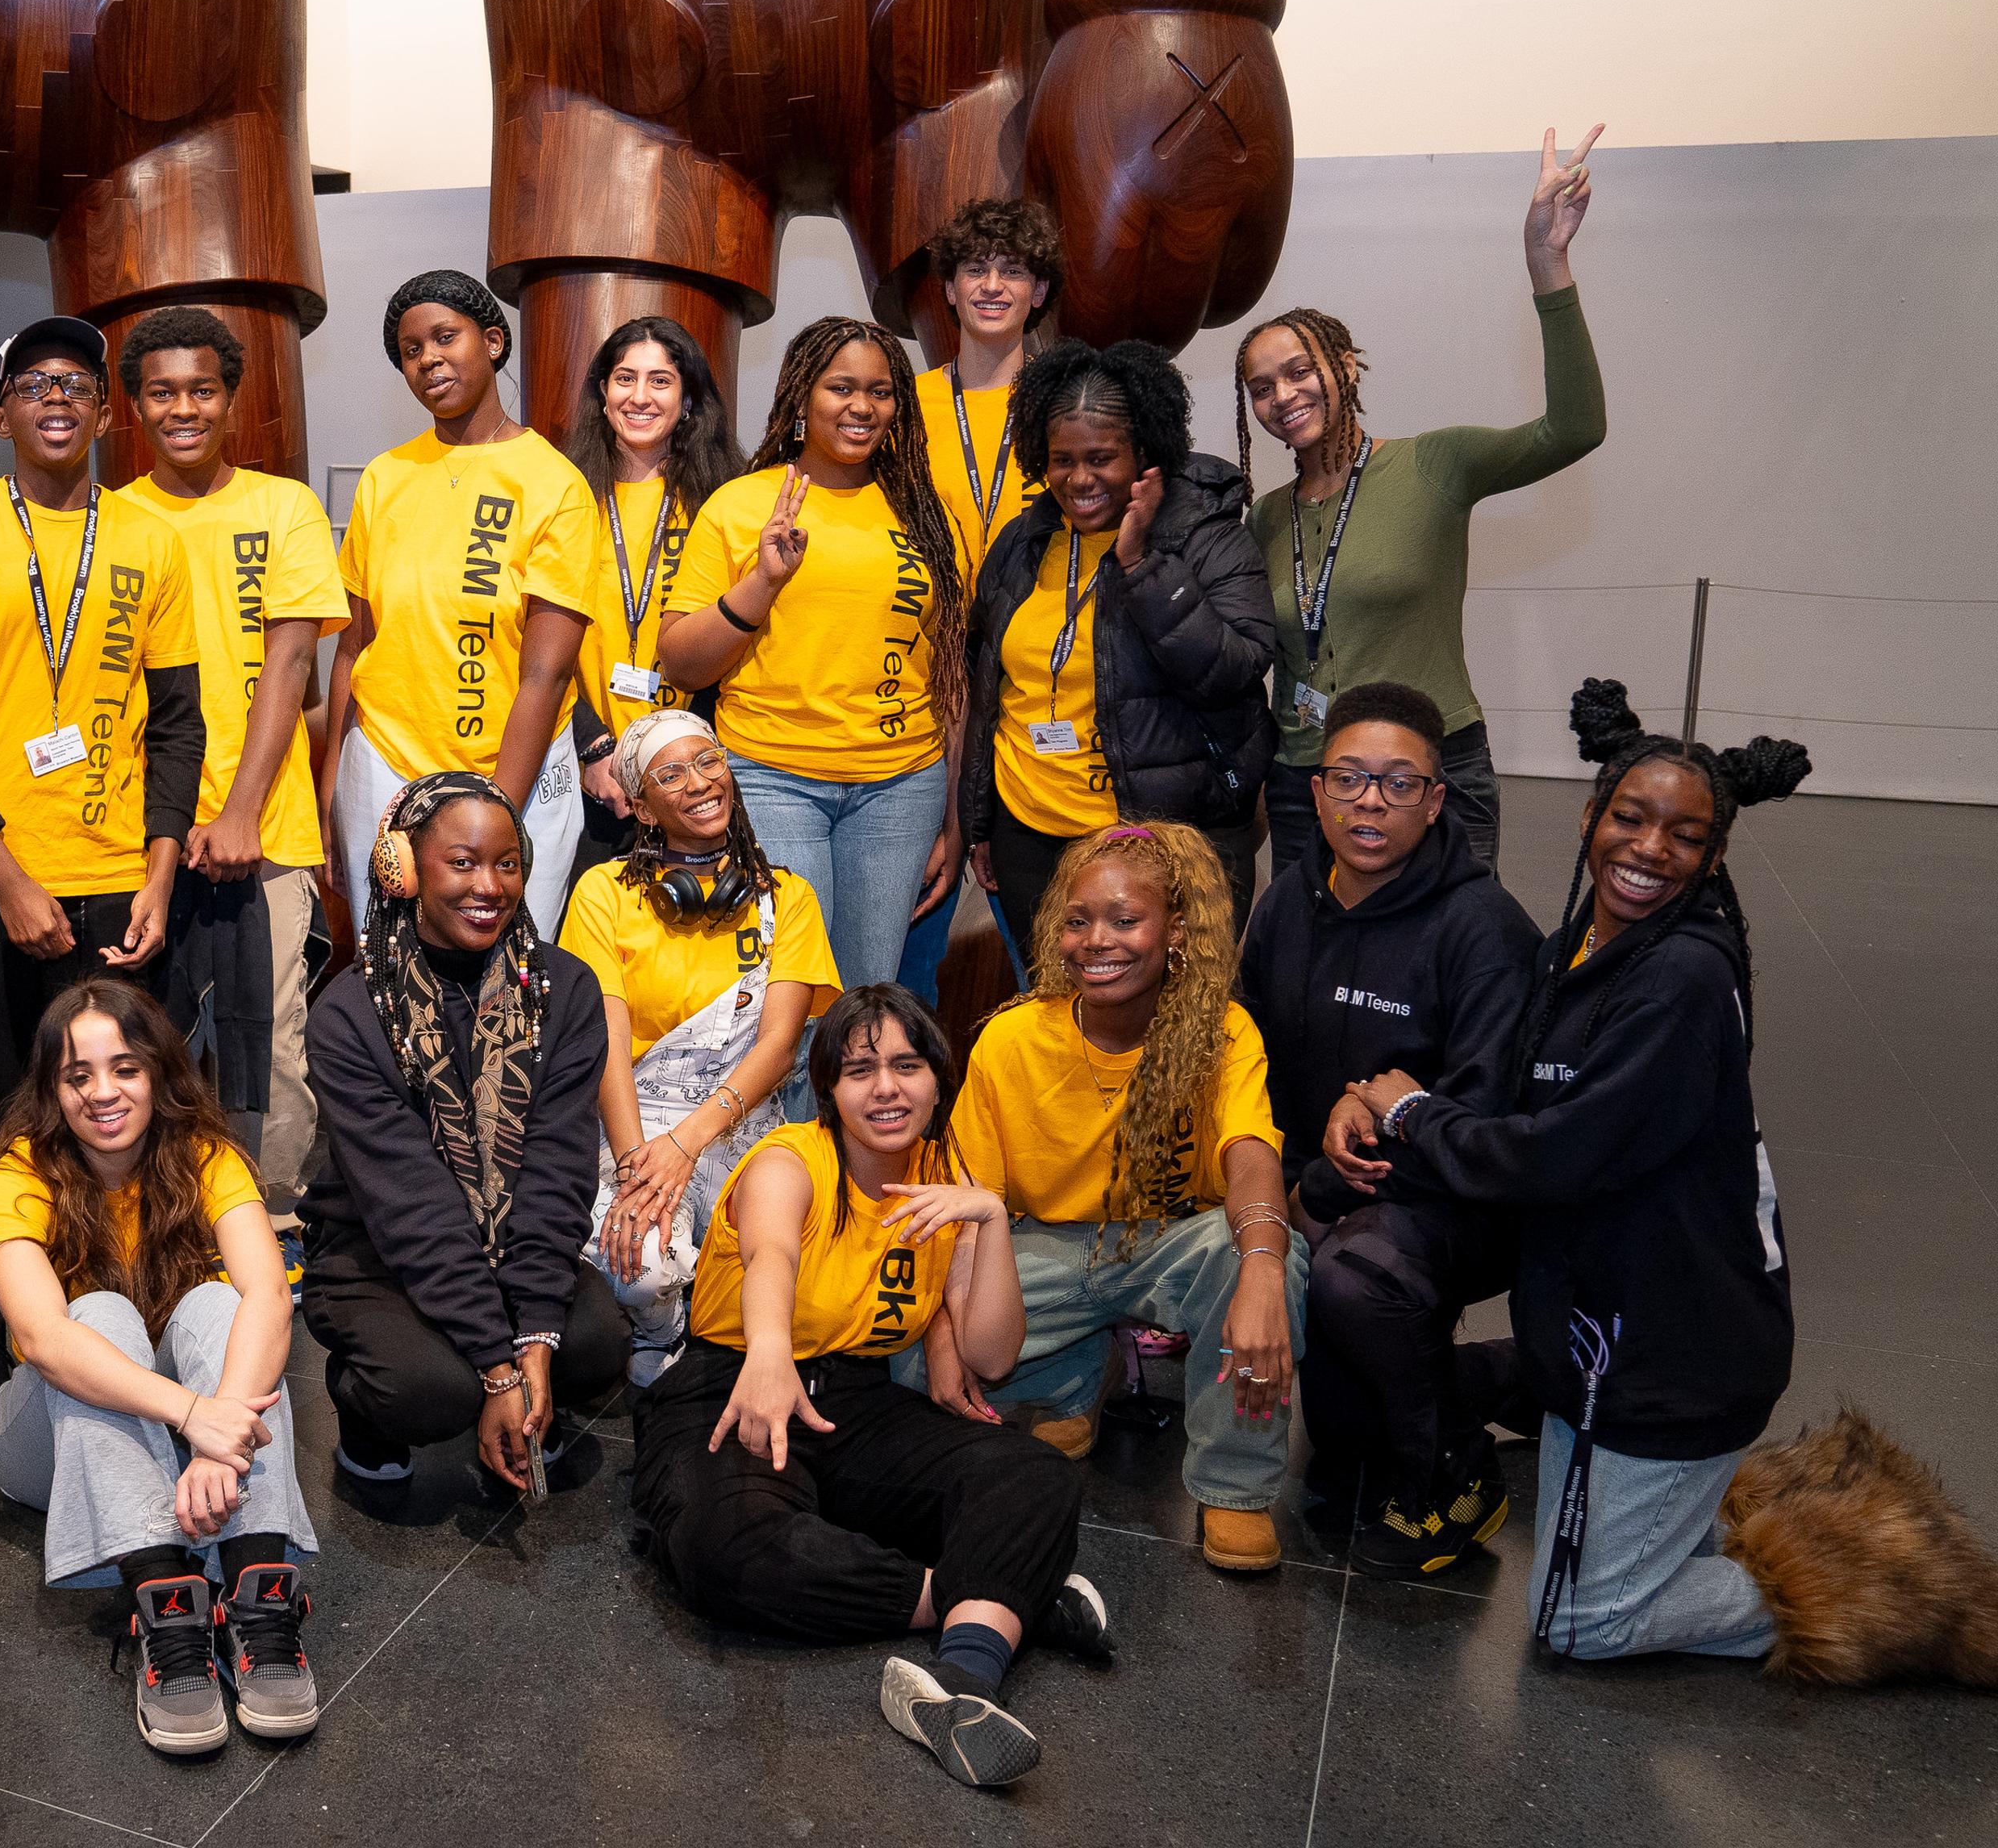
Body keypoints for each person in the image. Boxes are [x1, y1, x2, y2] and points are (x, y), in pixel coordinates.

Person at [1324, 682, 1825, 1663]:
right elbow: (1503, 1095)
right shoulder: (1574, 949)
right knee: (1389, 1391)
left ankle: (1829, 1578)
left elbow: (1553, 1154)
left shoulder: (1681, 979)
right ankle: (1552, 1404)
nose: (1648, 849)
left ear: (1714, 855)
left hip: (1674, 1359)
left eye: (1685, 835)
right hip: (1600, 1330)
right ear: (1591, 815)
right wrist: (1371, 1094)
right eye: (1629, 817)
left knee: (1578, 1620)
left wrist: (1413, 1112)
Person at [633, 983, 1107, 1792]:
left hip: (852, 1397)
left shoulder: (945, 1177)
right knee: (723, 1547)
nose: (885, 1086)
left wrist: (988, 1217)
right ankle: (988, 1602)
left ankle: (959, 1683)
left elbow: (994, 1355)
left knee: (1033, 1473)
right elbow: (772, 1255)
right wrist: (771, 1354)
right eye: (860, 1070)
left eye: (906, 1064)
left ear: (935, 1078)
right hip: (730, 1382)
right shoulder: (791, 1159)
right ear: (829, 1091)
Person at [0, 314, 202, 1427]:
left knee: (120, 1100)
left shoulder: (154, 539)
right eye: (33, 383)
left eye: (76, 383)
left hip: (118, 875)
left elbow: (178, 725)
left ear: (106, 413)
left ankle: (118, 1285)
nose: (56, 399)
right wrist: (9, 875)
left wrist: (160, 873)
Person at [1240, 127, 1609, 878]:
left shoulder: (1432, 465)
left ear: (1344, 366)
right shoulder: (1267, 517)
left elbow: (1574, 429)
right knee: (1318, 980)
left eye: (1300, 371)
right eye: (1261, 387)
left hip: (1432, 773)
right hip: (1311, 784)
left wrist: (1548, 263)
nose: (1284, 396)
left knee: (1448, 970)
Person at [1237, 680, 1541, 1577]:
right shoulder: (1288, 902)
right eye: (1350, 778)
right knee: (1344, 1436)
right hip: (1318, 1191)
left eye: (1400, 783)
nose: (1372, 801)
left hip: (1454, 1203)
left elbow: (1484, 1122)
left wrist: (1321, 1191)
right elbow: (1253, 1060)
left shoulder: (1486, 929)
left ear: (1438, 799)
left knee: (1354, 1280)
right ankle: (1516, 1378)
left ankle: (1454, 1469)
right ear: (1316, 790)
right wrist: (1279, 1186)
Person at [0, 982, 320, 1754]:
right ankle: (165, 1607)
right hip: (44, 1440)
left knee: (219, 1306)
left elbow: (269, 1293)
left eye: (124, 1068)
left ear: (160, 1071)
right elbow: (45, 1340)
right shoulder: (15, 1174)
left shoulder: (206, 1155)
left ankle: (259, 1599)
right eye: (78, 1075)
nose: (103, 1092)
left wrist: (218, 1429)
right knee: (93, 1316)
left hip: (187, 1437)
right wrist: (199, 1419)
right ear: (52, 1089)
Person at [949, 823, 1303, 1572]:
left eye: (1123, 920)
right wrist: (947, 1332)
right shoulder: (1010, 1040)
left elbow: (1250, 1158)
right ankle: (1076, 1378)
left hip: (1174, 1244)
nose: (1095, 941)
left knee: (1261, 1260)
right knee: (914, 1356)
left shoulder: (1222, 1032)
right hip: (1052, 1247)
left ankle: (1234, 1489)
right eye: (1078, 920)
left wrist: (1267, 1269)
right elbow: (968, 1208)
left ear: (1176, 931)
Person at [298, 772, 631, 1492]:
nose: (490, 886)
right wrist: (494, 1364)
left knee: (597, 1342)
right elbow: (408, 1203)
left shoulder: (565, 991)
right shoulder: (351, 1012)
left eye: (506, 863)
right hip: (377, 1248)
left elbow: (556, 1168)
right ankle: (368, 1415)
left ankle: (530, 1411)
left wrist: (534, 1345)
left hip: (510, 1234)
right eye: (462, 863)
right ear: (405, 868)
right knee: (431, 1387)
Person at [115, 305, 348, 1221]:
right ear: (135, 405)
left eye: (202, 389)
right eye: (163, 391)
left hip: (269, 824)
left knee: (273, 1042)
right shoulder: (112, 519)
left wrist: (243, 809)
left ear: (230, 398)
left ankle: (273, 1211)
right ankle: (159, 1210)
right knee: (148, 1033)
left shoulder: (283, 506)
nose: (184, 408)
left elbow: (293, 664)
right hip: (142, 829)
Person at [657, 319, 972, 989]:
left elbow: (950, 676)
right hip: (773, 778)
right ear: (803, 397)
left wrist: (953, 817)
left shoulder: (926, 513)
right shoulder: (743, 504)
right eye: (841, 388)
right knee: (792, 1000)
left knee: (866, 994)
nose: (862, 406)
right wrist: (763, 581)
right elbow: (680, 663)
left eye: (881, 391)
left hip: (900, 789)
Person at [961, 339, 1275, 959]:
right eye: (1061, 460)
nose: (1079, 479)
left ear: (1145, 455)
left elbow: (1234, 667)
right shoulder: (1023, 543)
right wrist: (982, 825)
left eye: (1101, 458)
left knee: (1169, 1029)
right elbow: (988, 688)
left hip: (1167, 839)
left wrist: (1140, 563)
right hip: (1033, 837)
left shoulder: (1205, 534)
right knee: (1056, 1022)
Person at [558, 710, 839, 1380]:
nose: (701, 783)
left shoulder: (787, 899)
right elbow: (608, 1037)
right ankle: (664, 1330)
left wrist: (688, 1144)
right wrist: (635, 1167)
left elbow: (777, 1047)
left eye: (709, 761)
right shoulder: (603, 892)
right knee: (641, 1265)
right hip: (634, 1121)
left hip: (744, 1117)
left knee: (803, 1277)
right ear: (645, 808)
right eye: (672, 774)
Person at [327, 271, 595, 935]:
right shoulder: (384, 478)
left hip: (516, 772)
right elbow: (354, 645)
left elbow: (547, 672)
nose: (428, 360)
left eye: (445, 338)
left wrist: (494, 808)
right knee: (388, 967)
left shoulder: (554, 483)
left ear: (494, 341)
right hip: (385, 760)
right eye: (410, 351)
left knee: (508, 969)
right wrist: (331, 778)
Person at [901, 198, 1061, 998]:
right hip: (921, 693)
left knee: (1052, 960)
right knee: (904, 961)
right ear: (951, 291)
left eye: (1015, 269)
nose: (994, 283)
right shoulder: (900, 407)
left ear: (1039, 291)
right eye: (976, 268)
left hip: (1032, 693)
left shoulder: (1069, 404)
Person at [561, 316, 745, 878]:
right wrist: (592, 747)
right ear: (602, 391)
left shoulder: (726, 499)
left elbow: (737, 635)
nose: (640, 397)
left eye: (661, 381)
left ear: (688, 397)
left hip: (697, 772)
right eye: (625, 378)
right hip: (583, 765)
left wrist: (681, 759)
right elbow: (534, 639)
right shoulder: (563, 493)